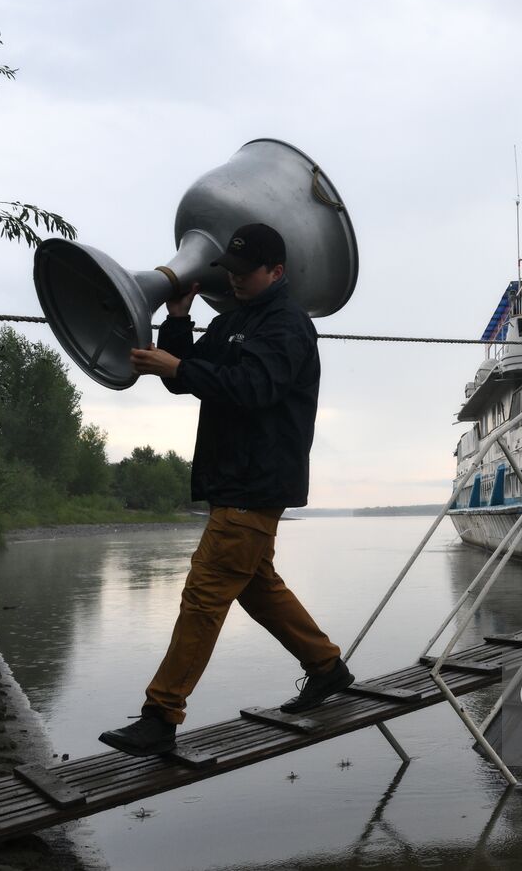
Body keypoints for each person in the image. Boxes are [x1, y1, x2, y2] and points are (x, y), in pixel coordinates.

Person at [98, 223, 353, 757]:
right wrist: (178, 319)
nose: (234, 280)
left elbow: (254, 389)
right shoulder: (232, 319)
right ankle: (327, 668)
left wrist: (182, 366)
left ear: (276, 272)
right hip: (232, 477)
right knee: (257, 586)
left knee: (204, 595)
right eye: (230, 272)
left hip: (257, 482)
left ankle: (161, 714)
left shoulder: (288, 325)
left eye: (245, 272)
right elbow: (182, 377)